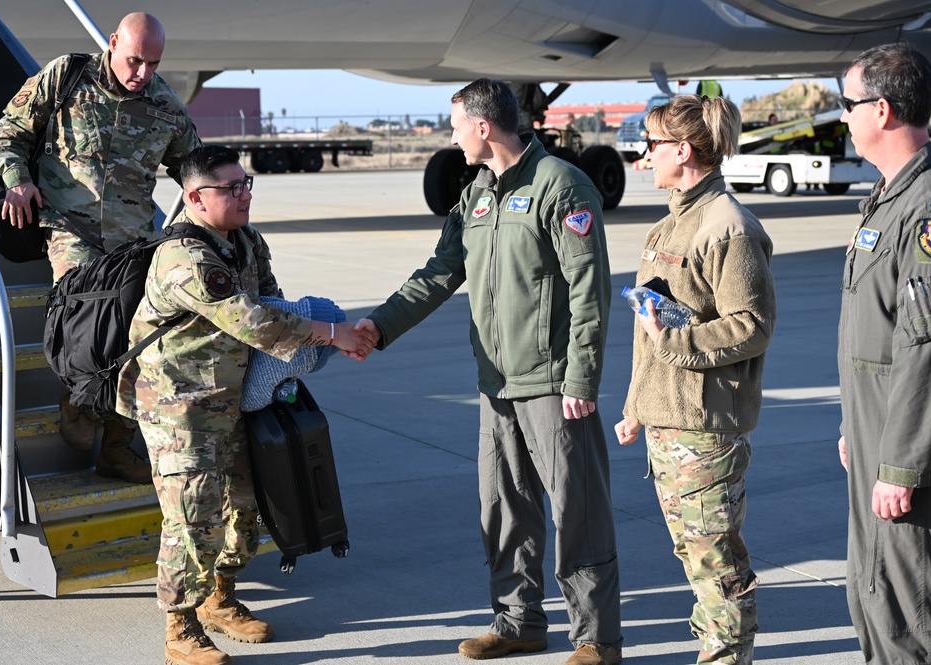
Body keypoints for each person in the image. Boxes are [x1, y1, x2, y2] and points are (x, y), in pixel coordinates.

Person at [352, 78, 623, 665]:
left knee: (577, 509)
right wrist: (379, 326)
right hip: (495, 383)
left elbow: (589, 293)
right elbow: (440, 271)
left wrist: (582, 377)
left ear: (482, 127)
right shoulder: (477, 194)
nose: (450, 137)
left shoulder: (561, 187)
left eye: (454, 126)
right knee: (503, 506)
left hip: (551, 383)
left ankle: (597, 639)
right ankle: (518, 621)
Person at [115, 145, 375, 665]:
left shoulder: (246, 241)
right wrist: (332, 334)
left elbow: (274, 301)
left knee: (248, 505)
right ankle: (180, 628)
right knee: (192, 518)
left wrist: (306, 351)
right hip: (180, 407)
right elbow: (252, 320)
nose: (244, 195)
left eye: (246, 183)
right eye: (231, 189)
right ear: (194, 197)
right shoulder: (184, 258)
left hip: (234, 397)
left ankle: (220, 597)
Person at [0, 12, 201, 484]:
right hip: (69, 228)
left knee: (139, 336)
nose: (142, 73)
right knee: (84, 316)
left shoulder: (164, 104)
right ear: (112, 42)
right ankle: (78, 402)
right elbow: (5, 137)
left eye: (153, 64)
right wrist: (18, 182)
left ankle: (119, 447)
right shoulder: (67, 76)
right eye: (134, 60)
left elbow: (194, 173)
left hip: (134, 241)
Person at [614, 94, 776, 664]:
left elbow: (751, 325)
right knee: (694, 554)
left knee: (717, 563)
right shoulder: (667, 227)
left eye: (652, 145)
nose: (645, 156)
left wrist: (678, 344)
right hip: (669, 423)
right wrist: (637, 405)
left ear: (682, 150)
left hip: (704, 432)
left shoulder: (729, 226)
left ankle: (727, 657)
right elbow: (649, 326)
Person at [836, 42, 931, 664]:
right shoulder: (886, 199)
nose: (841, 117)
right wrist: (855, 423)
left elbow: (926, 346)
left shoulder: (926, 208)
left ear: (881, 110)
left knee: (906, 610)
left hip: (904, 446)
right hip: (874, 429)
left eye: (847, 104)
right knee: (871, 596)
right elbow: (875, 332)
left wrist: (900, 463)